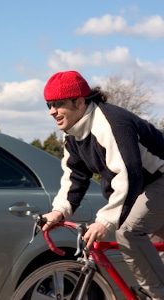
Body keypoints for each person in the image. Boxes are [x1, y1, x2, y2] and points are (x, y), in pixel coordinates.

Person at [41, 70, 164, 300]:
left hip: (159, 179)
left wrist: (105, 221)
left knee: (129, 231)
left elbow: (128, 174)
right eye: (49, 104)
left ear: (79, 102)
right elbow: (74, 176)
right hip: (145, 187)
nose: (52, 111)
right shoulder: (73, 133)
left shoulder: (110, 124)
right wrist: (59, 211)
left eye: (58, 103)